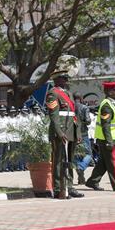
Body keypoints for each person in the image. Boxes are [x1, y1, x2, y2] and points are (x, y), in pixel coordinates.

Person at [44, 58, 84, 200]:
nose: (67, 80)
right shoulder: (53, 93)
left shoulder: (69, 94)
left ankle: (69, 186)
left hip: (71, 129)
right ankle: (58, 187)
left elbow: (75, 115)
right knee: (59, 160)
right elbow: (53, 116)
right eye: (64, 78)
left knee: (70, 160)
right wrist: (59, 132)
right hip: (61, 130)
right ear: (57, 80)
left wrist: (77, 132)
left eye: (67, 78)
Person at [85, 82, 115, 192]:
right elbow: (105, 124)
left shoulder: (112, 104)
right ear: (109, 92)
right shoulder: (107, 105)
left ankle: (92, 181)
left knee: (103, 163)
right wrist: (109, 141)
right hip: (111, 140)